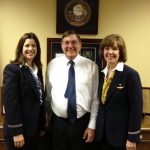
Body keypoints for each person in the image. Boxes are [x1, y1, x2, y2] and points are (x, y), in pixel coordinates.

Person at [46, 30, 99, 150]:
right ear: (62, 45)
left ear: (80, 44)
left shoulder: (92, 66)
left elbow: (95, 99)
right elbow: (48, 96)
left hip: (82, 123)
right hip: (58, 123)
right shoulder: (52, 65)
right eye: (66, 42)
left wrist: (92, 125)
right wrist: (47, 120)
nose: (70, 46)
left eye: (74, 42)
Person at [95, 34, 143, 150]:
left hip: (121, 138)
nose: (110, 52)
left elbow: (136, 109)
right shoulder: (101, 74)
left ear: (120, 52)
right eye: (107, 48)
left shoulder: (130, 75)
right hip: (102, 136)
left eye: (114, 49)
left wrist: (132, 138)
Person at [3, 32, 46, 150]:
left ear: (38, 49)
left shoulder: (38, 70)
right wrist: (16, 132)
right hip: (19, 132)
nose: (30, 49)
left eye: (34, 46)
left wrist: (41, 126)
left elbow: (39, 100)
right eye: (27, 46)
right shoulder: (12, 69)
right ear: (21, 48)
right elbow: (10, 103)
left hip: (34, 130)